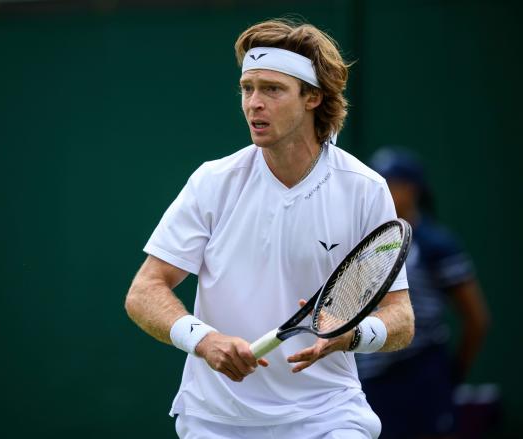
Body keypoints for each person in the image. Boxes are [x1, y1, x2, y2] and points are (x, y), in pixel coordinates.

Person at [125, 18, 415, 438]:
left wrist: (352, 335)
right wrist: (203, 339)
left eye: (272, 89)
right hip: (216, 420)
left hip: (327, 415)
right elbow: (144, 290)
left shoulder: (365, 189)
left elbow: (401, 318)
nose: (253, 103)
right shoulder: (212, 182)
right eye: (247, 88)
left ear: (312, 97)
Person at [356, 147, 490, 439]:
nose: (382, 189)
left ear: (412, 189)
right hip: (371, 380)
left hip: (421, 376)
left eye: (391, 182)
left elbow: (477, 318)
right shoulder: (363, 242)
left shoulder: (436, 244)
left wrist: (448, 375)